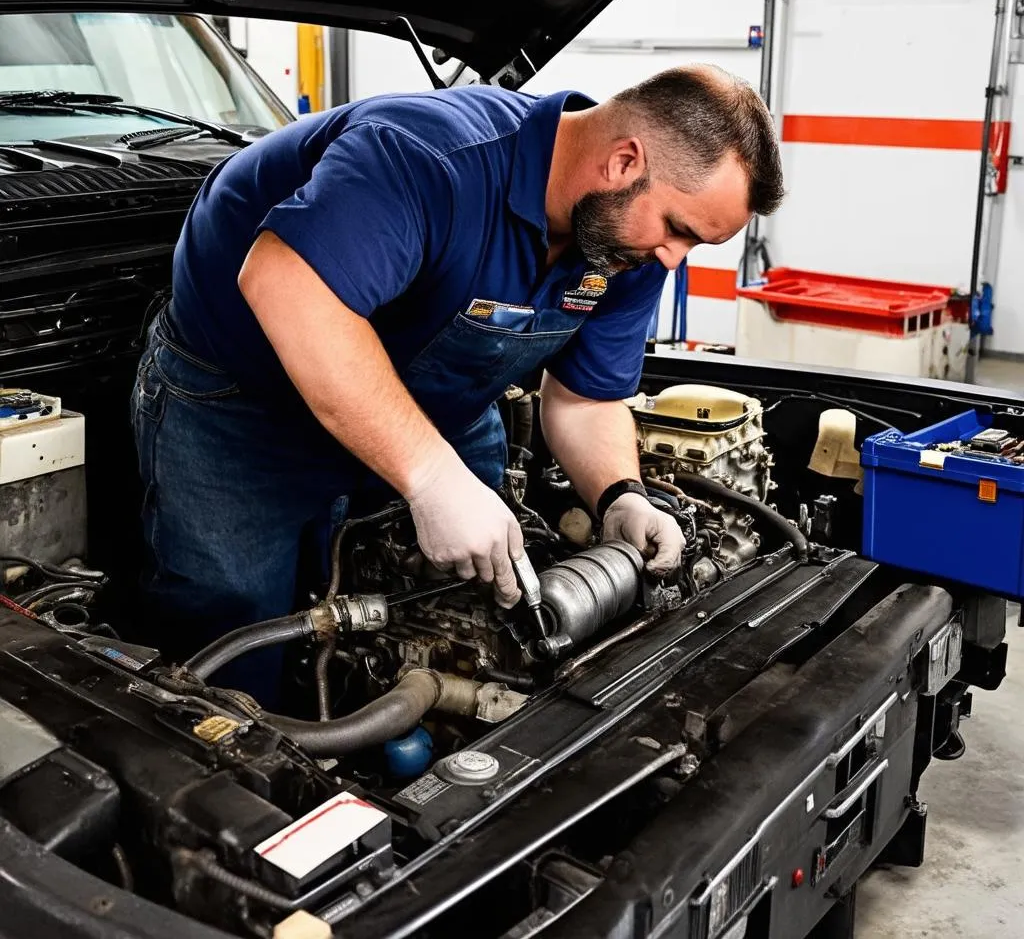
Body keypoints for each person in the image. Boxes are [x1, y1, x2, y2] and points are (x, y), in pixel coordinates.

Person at [130, 64, 784, 704]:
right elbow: (289, 286)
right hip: (243, 408)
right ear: (623, 162)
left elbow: (587, 396)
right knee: (235, 636)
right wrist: (432, 477)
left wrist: (620, 496)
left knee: (485, 605)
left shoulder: (626, 248)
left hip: (438, 408)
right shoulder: (428, 156)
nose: (674, 259)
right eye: (677, 230)